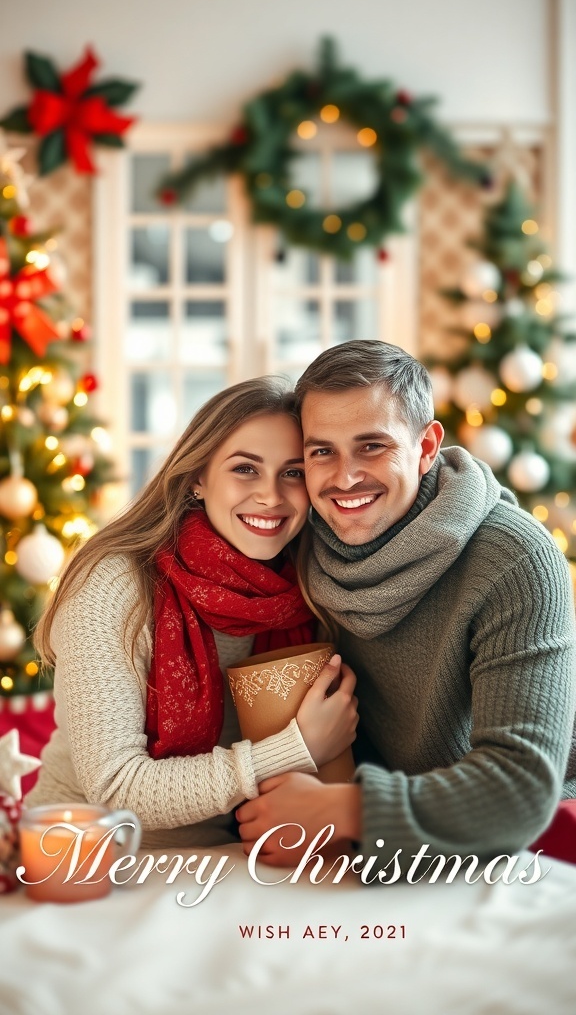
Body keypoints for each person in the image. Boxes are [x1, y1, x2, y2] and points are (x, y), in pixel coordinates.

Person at [236, 340, 576, 870]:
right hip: (352, 836)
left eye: (372, 446)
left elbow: (522, 787)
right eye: (322, 451)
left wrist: (340, 809)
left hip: (511, 842)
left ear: (425, 447)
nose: (345, 478)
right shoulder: (299, 540)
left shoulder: (517, 559)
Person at [27, 376, 358, 848]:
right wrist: (296, 749)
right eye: (245, 469)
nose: (271, 495)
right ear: (199, 477)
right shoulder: (114, 583)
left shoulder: (305, 586)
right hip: (87, 859)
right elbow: (117, 787)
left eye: (293, 473)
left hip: (223, 859)